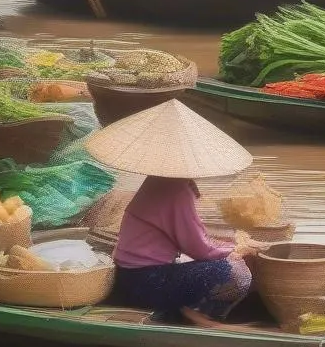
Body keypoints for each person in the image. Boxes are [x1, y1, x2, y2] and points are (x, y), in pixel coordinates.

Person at [85, 99, 264, 324]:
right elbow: (199, 249)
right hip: (145, 282)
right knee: (232, 273)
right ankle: (191, 317)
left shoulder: (157, 181)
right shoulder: (176, 190)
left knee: (226, 260)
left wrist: (227, 245)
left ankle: (185, 311)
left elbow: (191, 238)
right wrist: (237, 249)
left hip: (128, 276)